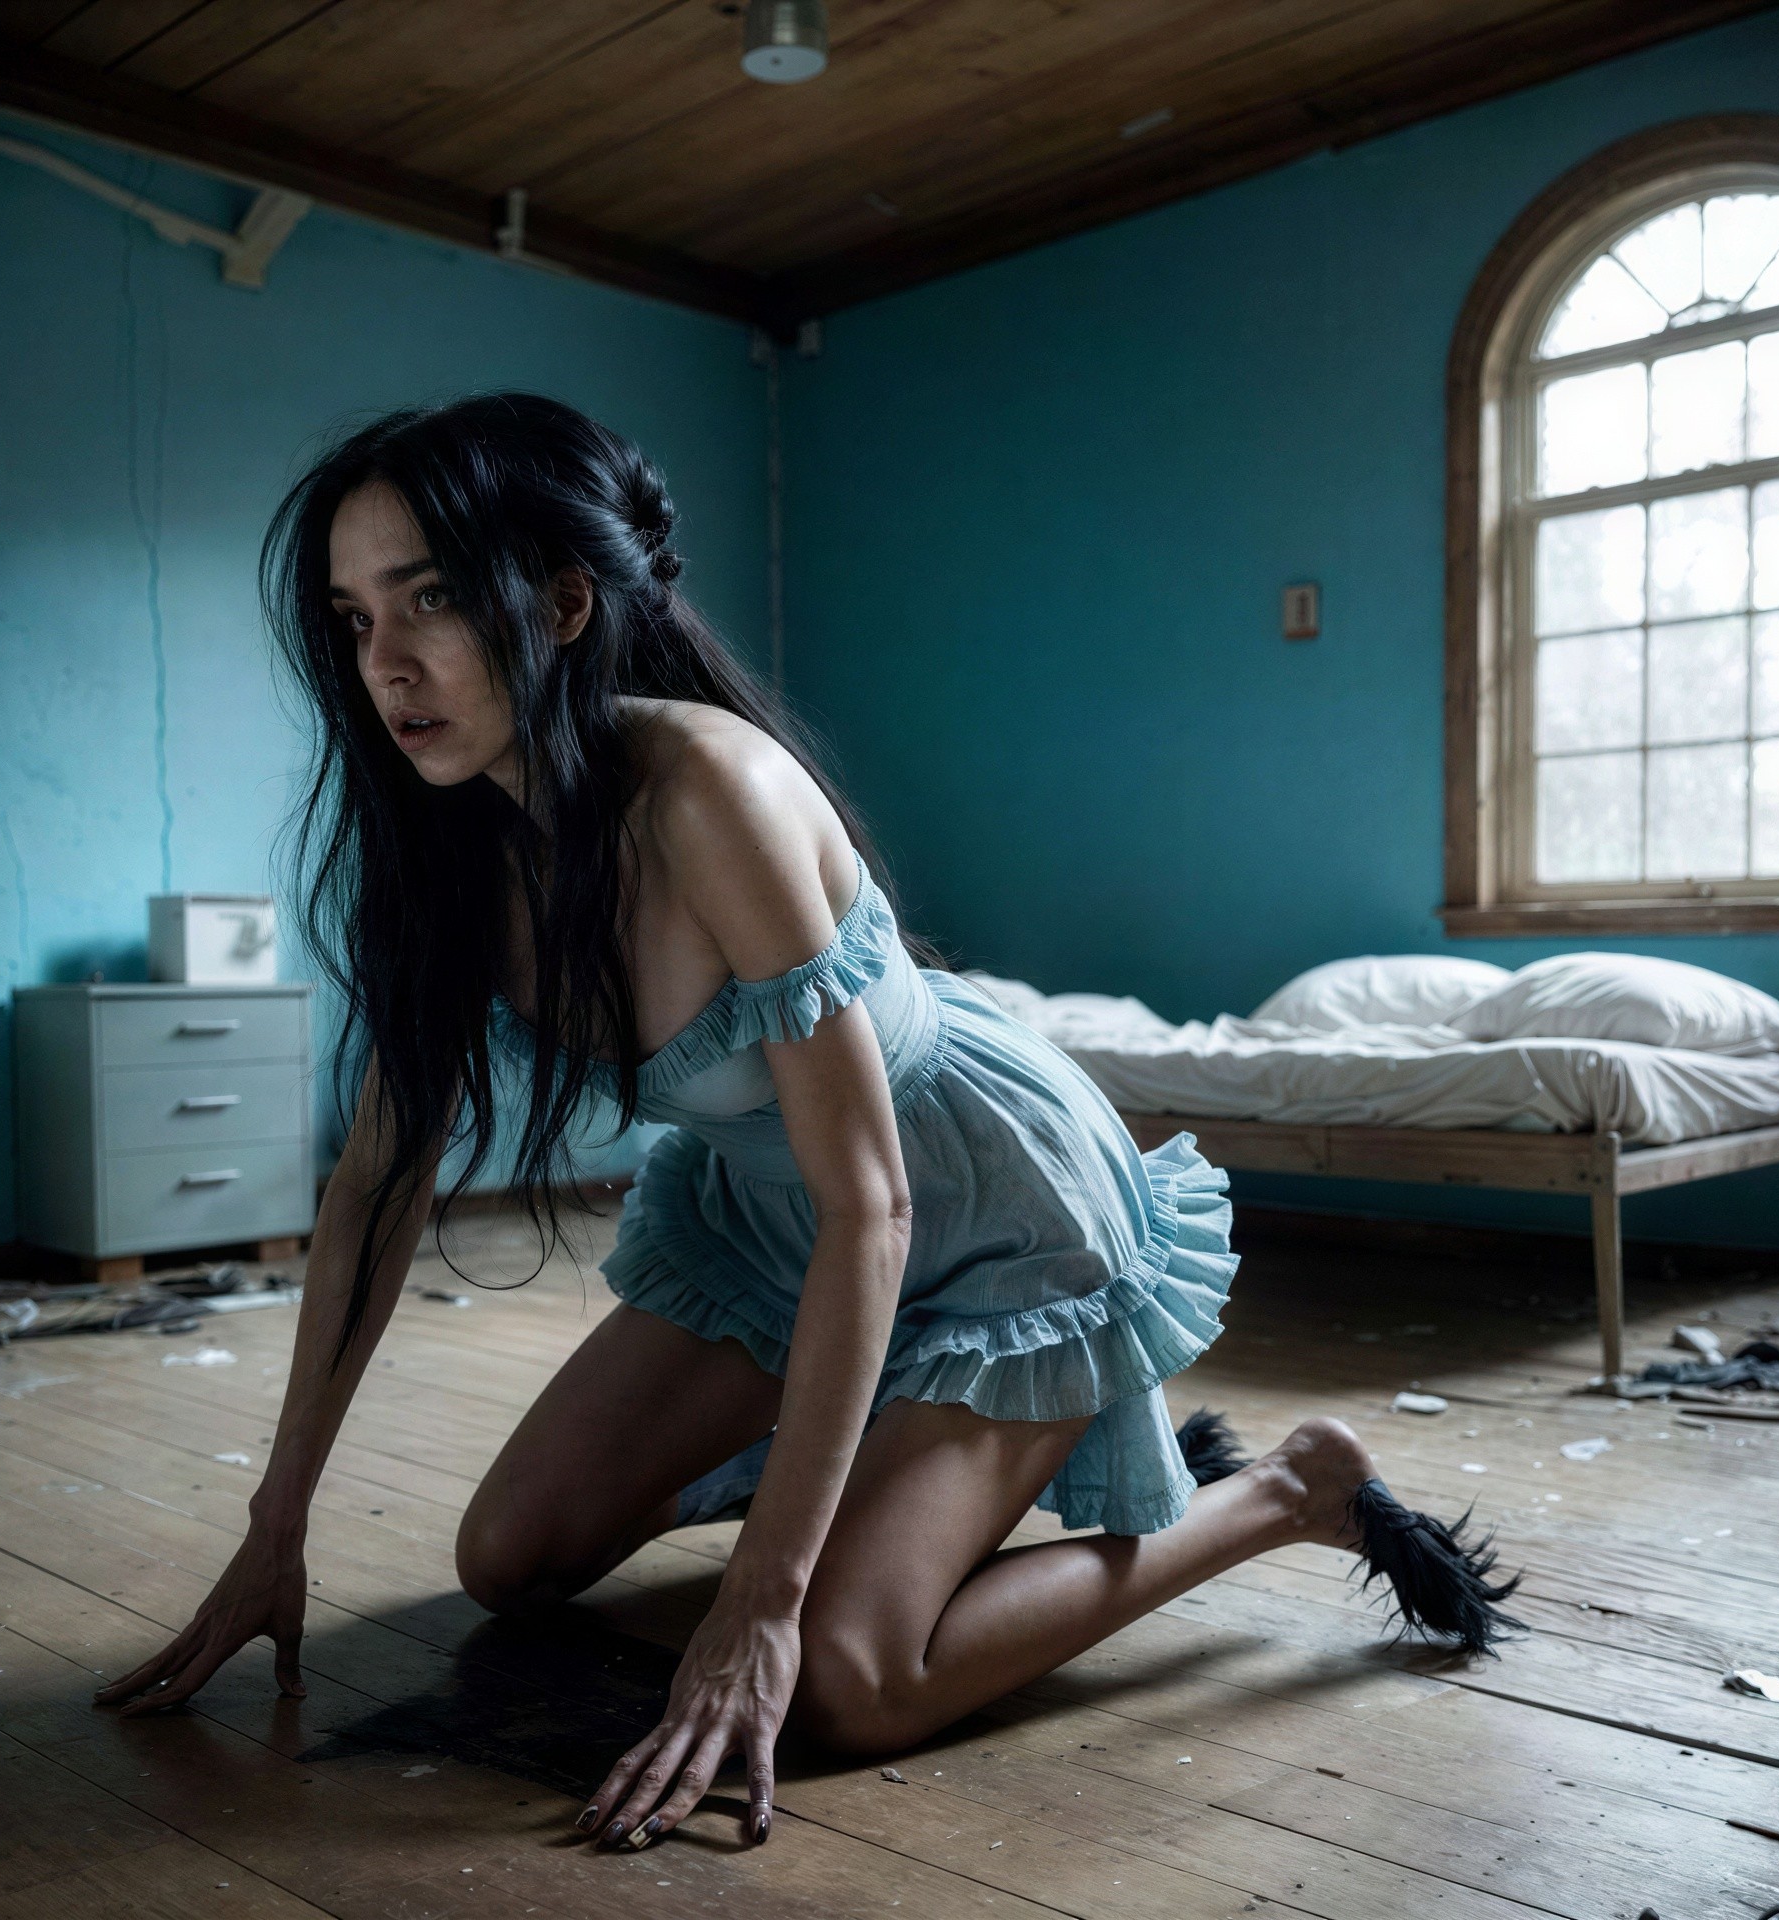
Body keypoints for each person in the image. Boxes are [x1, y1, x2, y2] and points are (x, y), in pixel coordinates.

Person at [94, 393, 1519, 1849]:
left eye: (434, 599)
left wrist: (763, 1602)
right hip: (776, 1227)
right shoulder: (444, 845)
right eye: (349, 617)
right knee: (510, 1556)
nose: (385, 664)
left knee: (842, 1682)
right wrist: (277, 1527)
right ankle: (887, 1475)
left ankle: (1283, 1491)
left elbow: (878, 1205)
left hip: (983, 1209)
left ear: (566, 600)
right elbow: (372, 1189)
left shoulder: (710, 788)